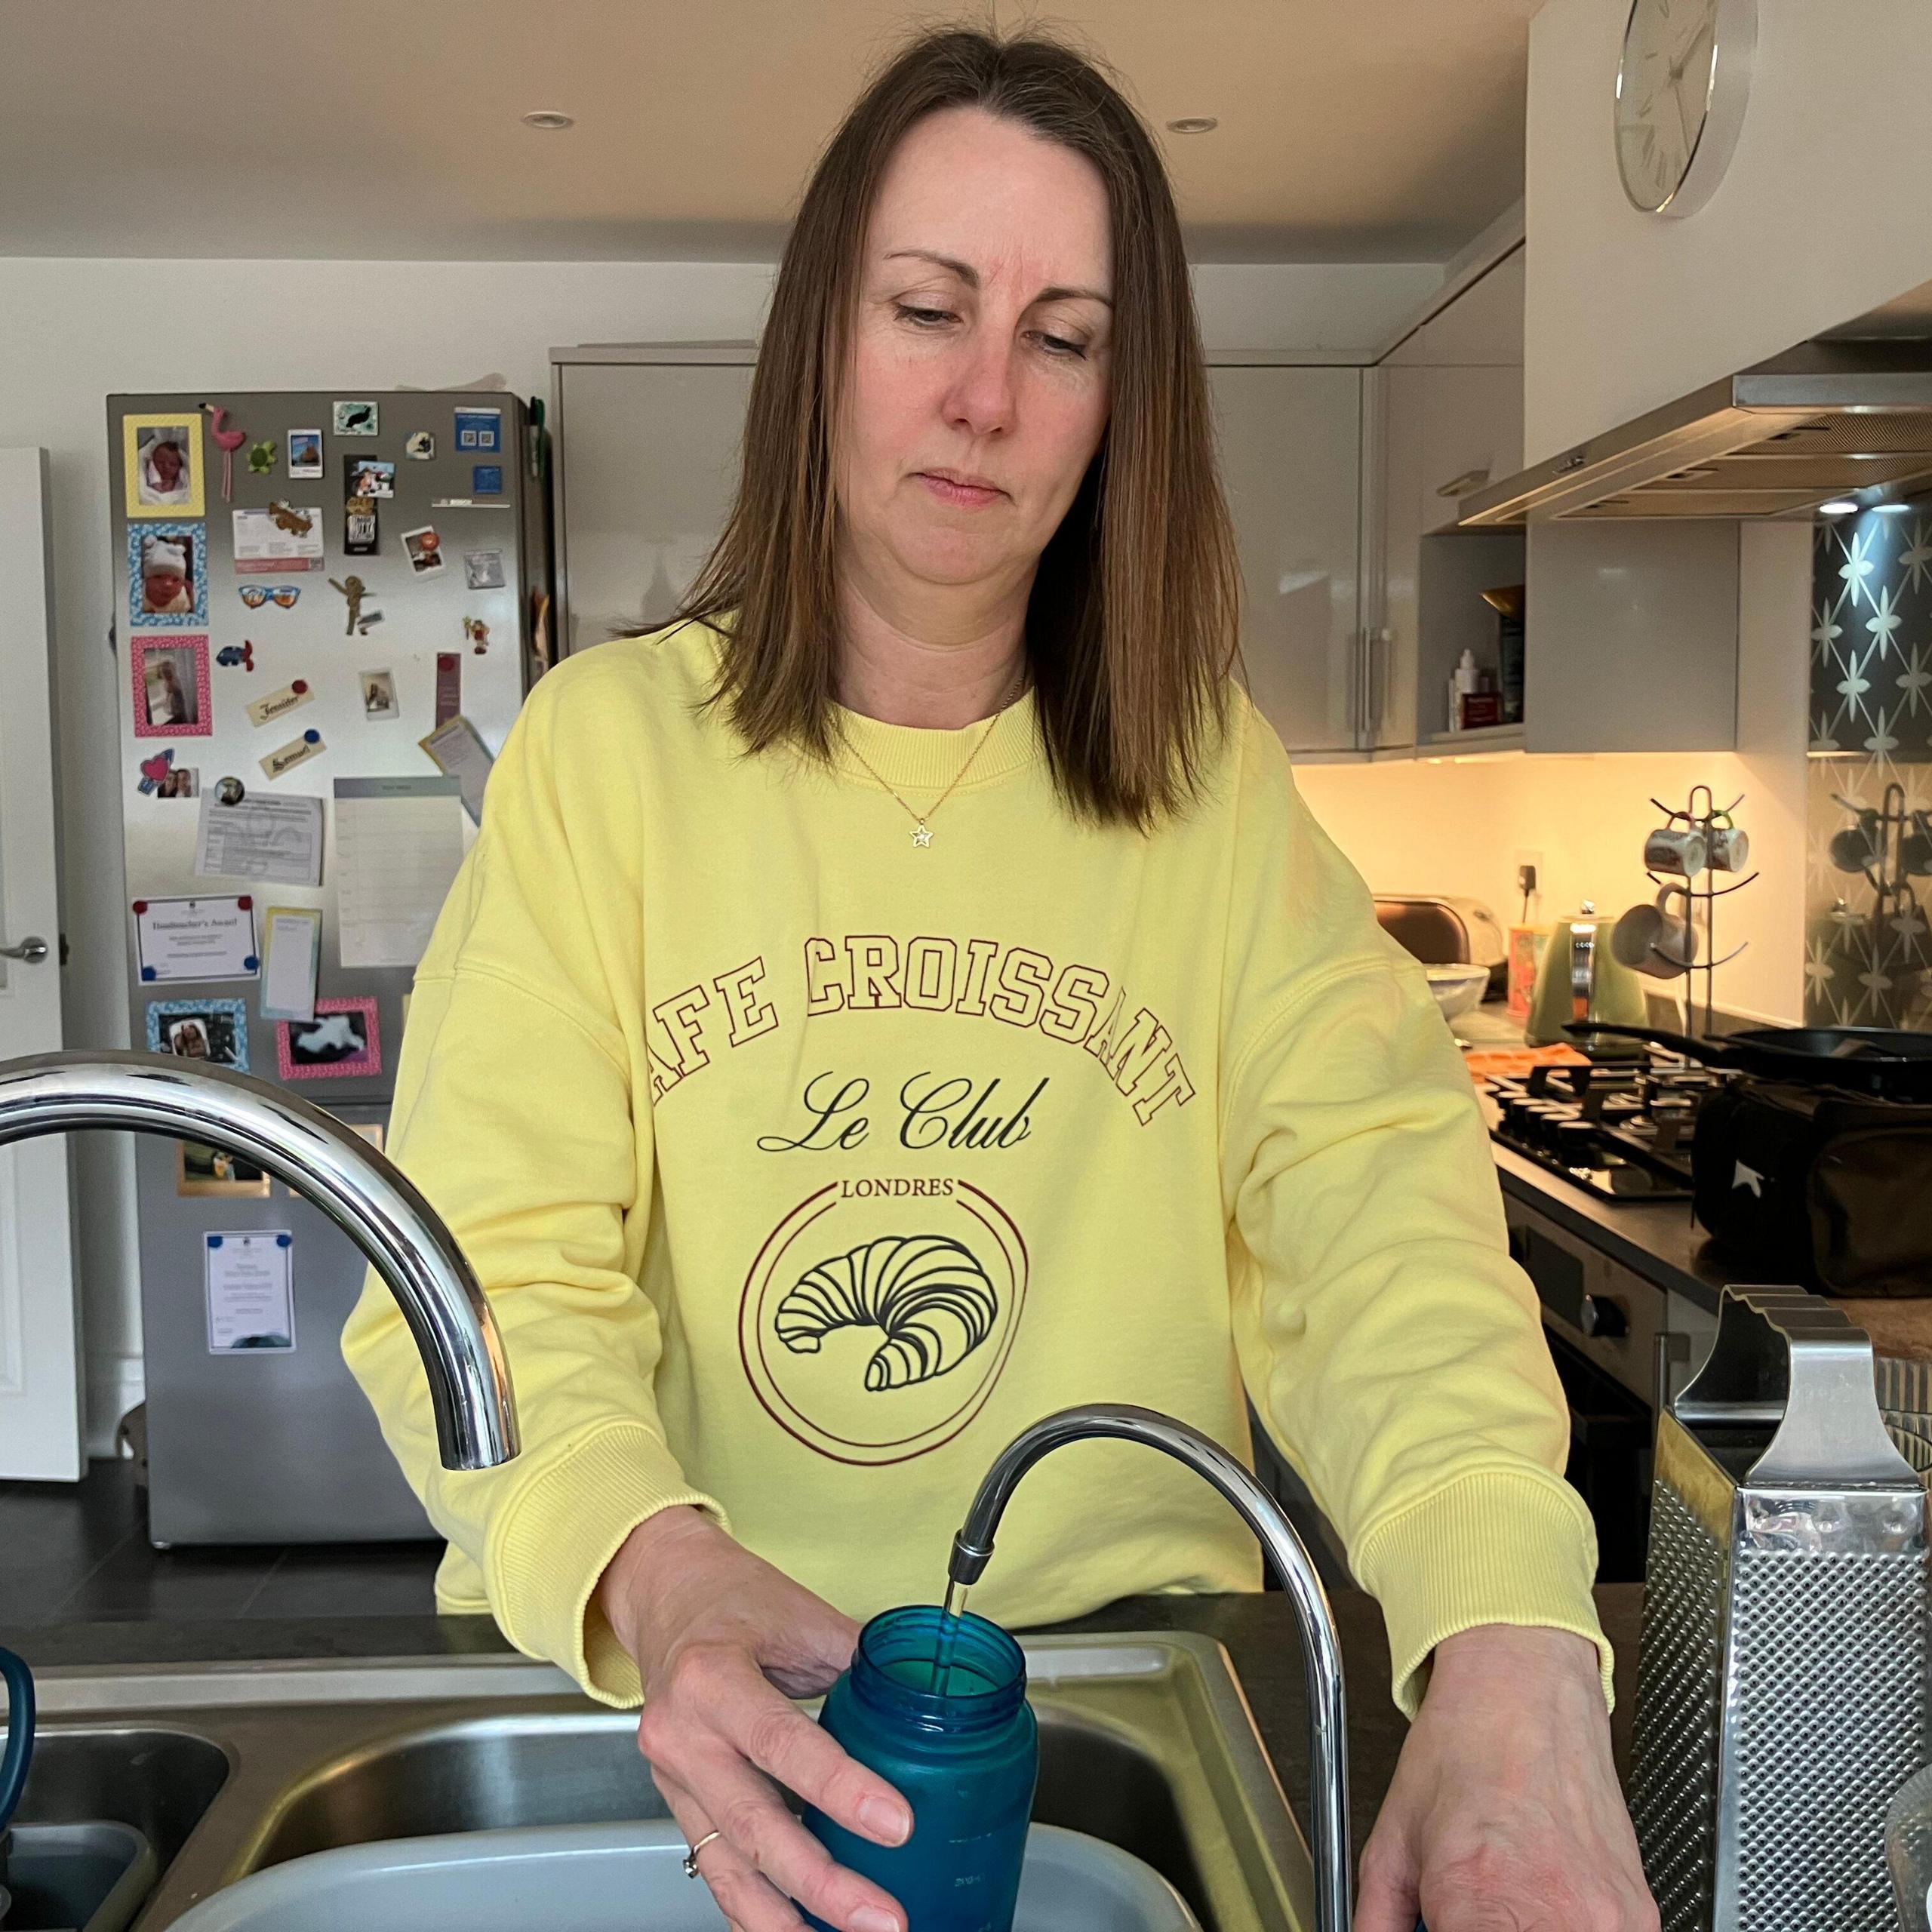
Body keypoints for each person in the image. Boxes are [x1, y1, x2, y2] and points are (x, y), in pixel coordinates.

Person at [343, 25, 1656, 1932]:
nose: (982, 397)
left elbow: (1377, 1219)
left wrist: (1512, 1634)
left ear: (1122, 401)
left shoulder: (1208, 787)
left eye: (1062, 337)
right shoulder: (603, 756)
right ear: (821, 339)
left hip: (1118, 1678)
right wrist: (652, 1566)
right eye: (927, 309)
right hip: (698, 1687)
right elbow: (484, 1265)